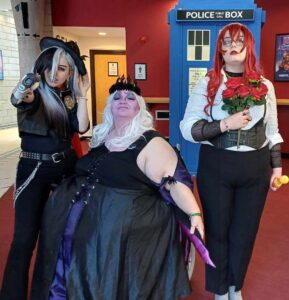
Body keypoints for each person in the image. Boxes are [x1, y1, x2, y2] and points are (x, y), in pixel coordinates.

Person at [30, 77, 205, 300]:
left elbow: (174, 183)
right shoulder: (101, 137)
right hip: (82, 218)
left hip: (116, 224)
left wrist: (194, 213)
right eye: (117, 97)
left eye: (130, 98)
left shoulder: (152, 142)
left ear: (139, 108)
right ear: (110, 105)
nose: (123, 100)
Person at [180, 23, 283, 300]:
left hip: (256, 168)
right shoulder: (208, 82)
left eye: (238, 40)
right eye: (225, 42)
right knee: (217, 231)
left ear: (248, 45)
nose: (231, 45)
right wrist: (225, 123)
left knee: (245, 232)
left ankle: (234, 287)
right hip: (217, 166)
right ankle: (219, 289)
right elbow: (187, 128)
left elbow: (272, 131)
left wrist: (277, 168)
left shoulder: (265, 86)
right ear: (220, 50)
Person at [0, 37, 90, 300]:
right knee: (24, 239)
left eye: (62, 68)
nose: (54, 73)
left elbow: (82, 127)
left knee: (64, 235)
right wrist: (22, 91)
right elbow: (20, 98)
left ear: (69, 72)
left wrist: (83, 94)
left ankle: (56, 292)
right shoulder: (34, 95)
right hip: (33, 169)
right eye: (50, 66)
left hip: (66, 167)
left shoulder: (70, 97)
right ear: (40, 66)